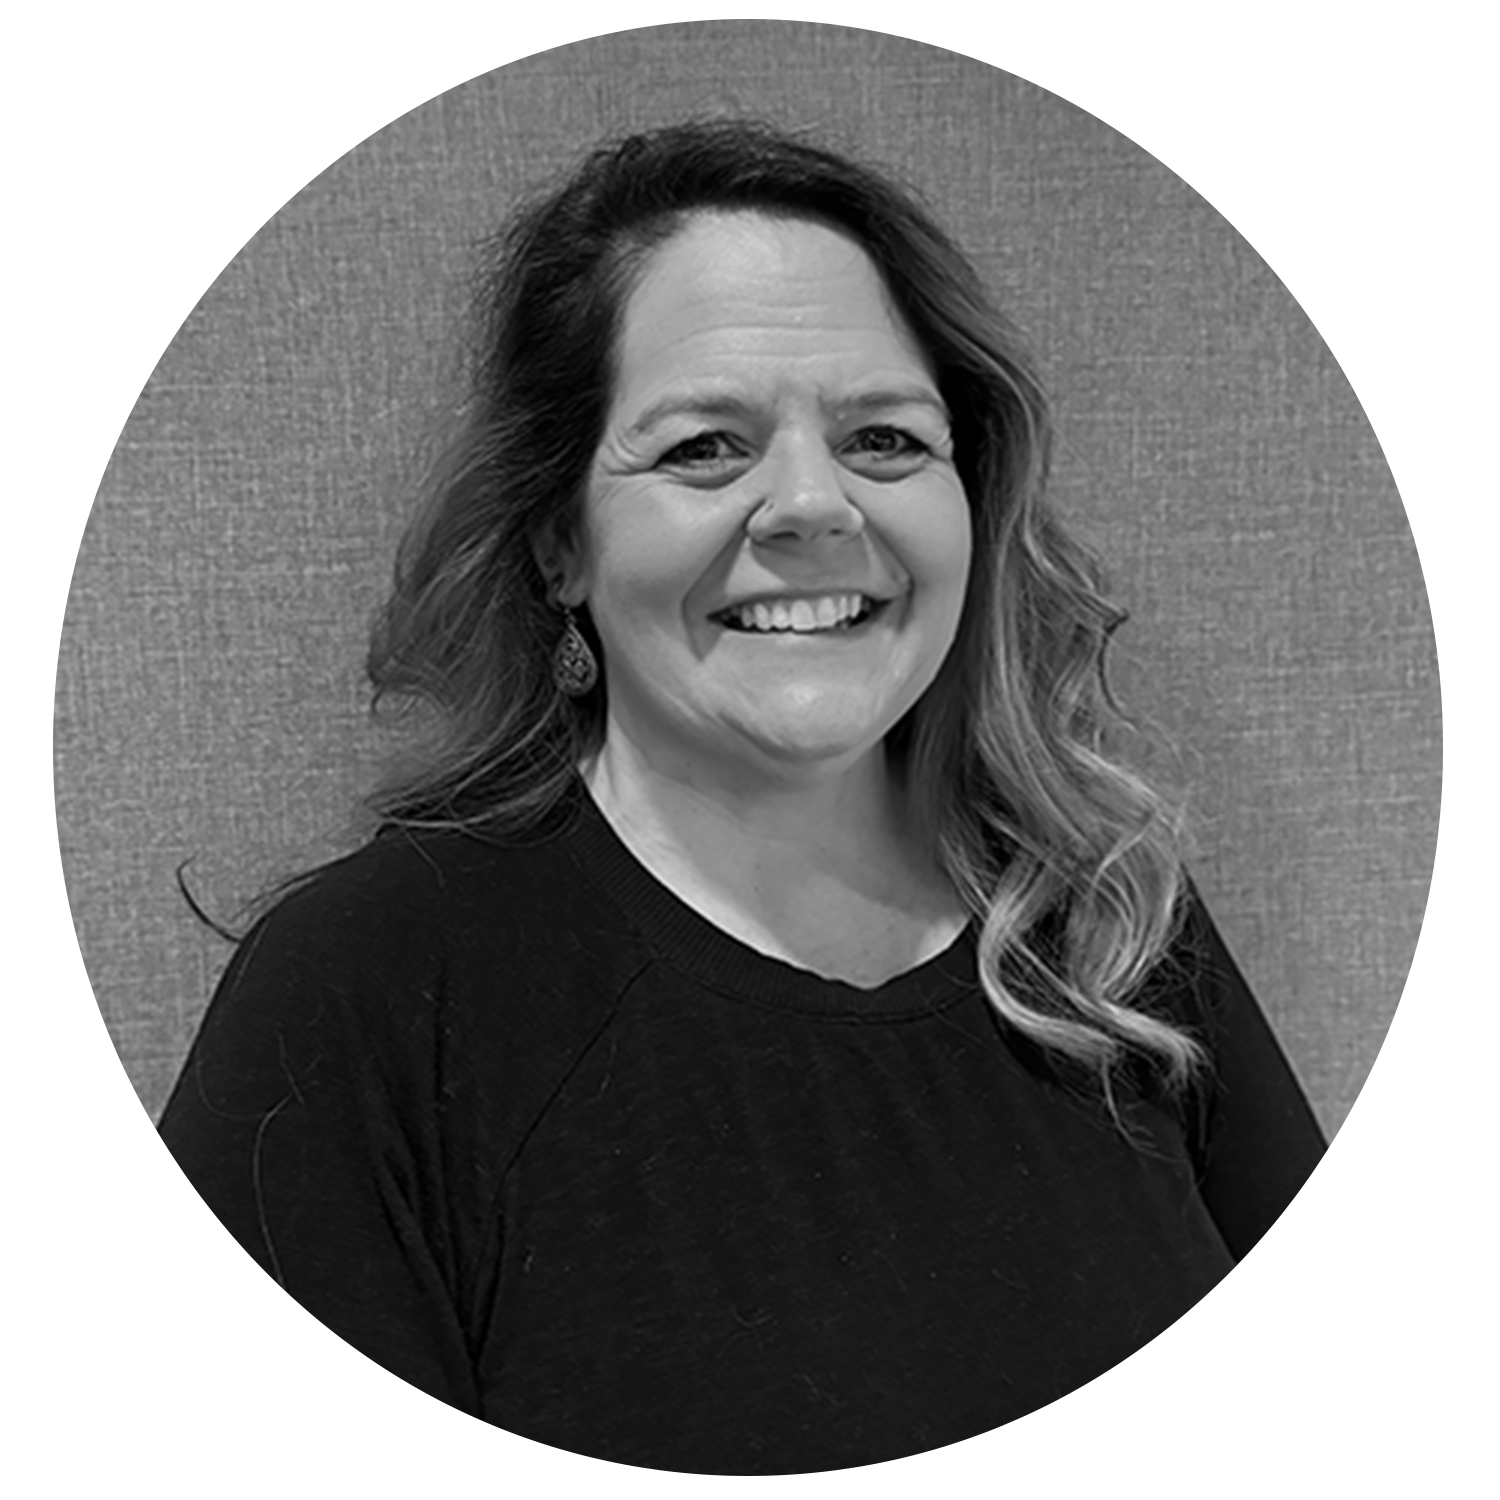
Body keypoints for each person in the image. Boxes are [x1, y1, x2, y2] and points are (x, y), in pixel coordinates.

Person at [54, 119, 1422, 1472]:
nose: (814, 507)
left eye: (887, 440)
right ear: (557, 543)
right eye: (706, 448)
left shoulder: (1114, 939)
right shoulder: (382, 993)